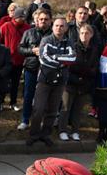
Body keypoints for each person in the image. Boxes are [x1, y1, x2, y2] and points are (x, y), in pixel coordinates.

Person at [28, 17, 76, 147]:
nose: (59, 28)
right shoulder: (46, 40)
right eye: (56, 25)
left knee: (53, 110)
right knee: (38, 109)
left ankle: (45, 134)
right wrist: (61, 62)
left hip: (60, 81)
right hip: (45, 79)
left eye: (61, 26)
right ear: (52, 26)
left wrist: (55, 57)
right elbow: (44, 59)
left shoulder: (69, 42)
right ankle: (34, 134)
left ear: (66, 28)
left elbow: (72, 58)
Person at [60, 24, 100, 142]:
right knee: (65, 107)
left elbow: (94, 68)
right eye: (82, 33)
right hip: (70, 83)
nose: (84, 35)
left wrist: (85, 71)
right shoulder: (73, 47)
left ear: (91, 35)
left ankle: (75, 131)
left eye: (87, 33)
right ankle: (62, 130)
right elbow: (70, 66)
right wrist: (81, 71)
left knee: (78, 109)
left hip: (85, 84)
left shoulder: (94, 50)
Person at [18, 9, 52, 130]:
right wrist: (32, 51)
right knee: (28, 95)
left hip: (48, 70)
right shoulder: (28, 32)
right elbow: (20, 49)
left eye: (46, 19)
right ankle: (25, 120)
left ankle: (42, 120)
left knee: (46, 97)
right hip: (31, 68)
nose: (43, 21)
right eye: (41, 19)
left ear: (50, 20)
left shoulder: (53, 34)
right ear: (37, 20)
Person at [0, 6, 30, 112]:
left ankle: (13, 102)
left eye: (24, 16)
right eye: (21, 16)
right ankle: (0, 102)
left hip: (19, 60)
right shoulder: (6, 26)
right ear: (16, 17)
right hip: (7, 60)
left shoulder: (27, 28)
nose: (23, 18)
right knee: (3, 82)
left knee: (15, 83)